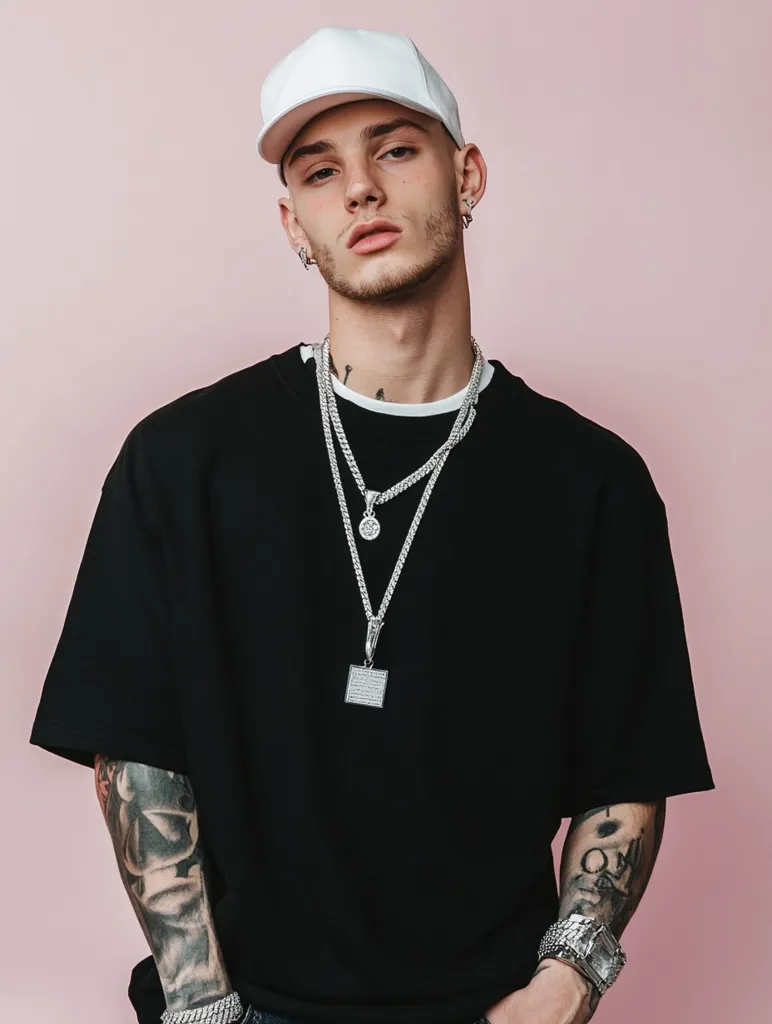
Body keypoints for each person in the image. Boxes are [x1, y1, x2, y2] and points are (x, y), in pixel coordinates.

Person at [29, 25, 715, 1024]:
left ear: (467, 174)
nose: (359, 188)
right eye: (320, 171)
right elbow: (136, 752)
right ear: (292, 224)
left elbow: (625, 768)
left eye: (395, 149)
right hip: (233, 1009)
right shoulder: (181, 462)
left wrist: (564, 986)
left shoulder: (592, 482)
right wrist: (198, 1001)